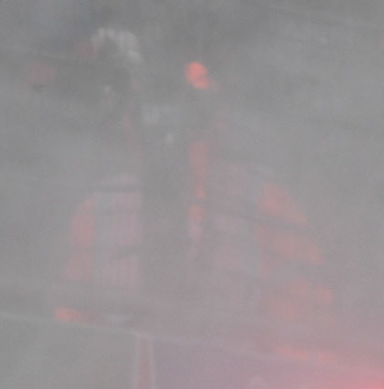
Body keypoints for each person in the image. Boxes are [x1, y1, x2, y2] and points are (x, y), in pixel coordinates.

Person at [59, 35, 330, 344]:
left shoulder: (267, 206)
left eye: (193, 106)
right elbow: (70, 346)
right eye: (152, 105)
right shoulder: (99, 212)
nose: (170, 127)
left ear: (217, 118)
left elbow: (304, 344)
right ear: (129, 120)